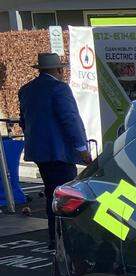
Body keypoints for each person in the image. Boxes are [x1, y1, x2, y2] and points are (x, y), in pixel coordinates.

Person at [18, 52, 93, 247]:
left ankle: (54, 236)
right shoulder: (59, 88)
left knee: (52, 192)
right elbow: (70, 120)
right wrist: (82, 149)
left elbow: (24, 121)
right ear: (59, 70)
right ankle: (63, 239)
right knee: (65, 196)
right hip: (60, 152)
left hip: (39, 151)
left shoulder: (26, 90)